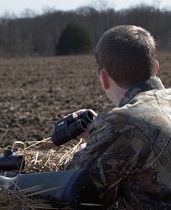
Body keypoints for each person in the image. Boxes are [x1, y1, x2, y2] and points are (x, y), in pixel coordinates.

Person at [68, 25, 171, 209]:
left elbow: (77, 187)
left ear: (104, 78)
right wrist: (99, 134)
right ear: (156, 67)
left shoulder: (122, 122)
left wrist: (90, 145)